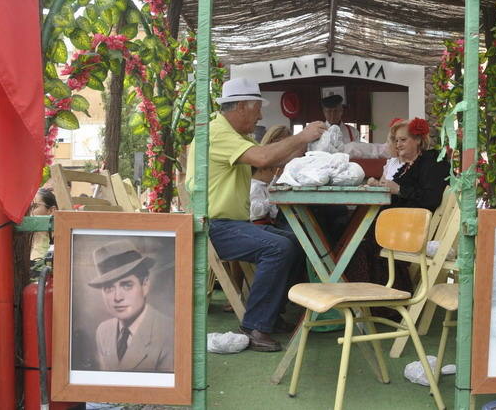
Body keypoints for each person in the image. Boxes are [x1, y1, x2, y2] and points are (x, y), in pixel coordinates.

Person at [186, 77, 326, 352]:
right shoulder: (216, 132)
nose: (260, 114)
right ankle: (254, 326)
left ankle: (271, 316)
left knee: (295, 241)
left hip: (229, 223)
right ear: (240, 107)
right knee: (279, 246)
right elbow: (263, 159)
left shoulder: (233, 136)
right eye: (256, 108)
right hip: (214, 226)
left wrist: (299, 149)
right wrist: (302, 136)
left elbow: (265, 160)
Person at [348, 117, 450, 291]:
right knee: (350, 236)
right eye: (396, 141)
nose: (398, 144)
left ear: (418, 140)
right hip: (395, 225)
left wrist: (399, 190)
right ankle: (370, 301)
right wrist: (381, 187)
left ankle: (384, 299)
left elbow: (431, 199)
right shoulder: (406, 167)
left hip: (412, 227)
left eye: (403, 140)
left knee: (358, 247)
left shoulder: (432, 162)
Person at [89, 240, 173, 372]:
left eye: (127, 285)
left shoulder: (170, 331)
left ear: (145, 285)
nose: (117, 297)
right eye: (109, 288)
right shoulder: (103, 330)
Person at [0, 189, 58, 307]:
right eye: (23, 208)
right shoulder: (10, 251)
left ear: (51, 211)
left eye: (33, 207)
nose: (26, 213)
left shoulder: (63, 248)